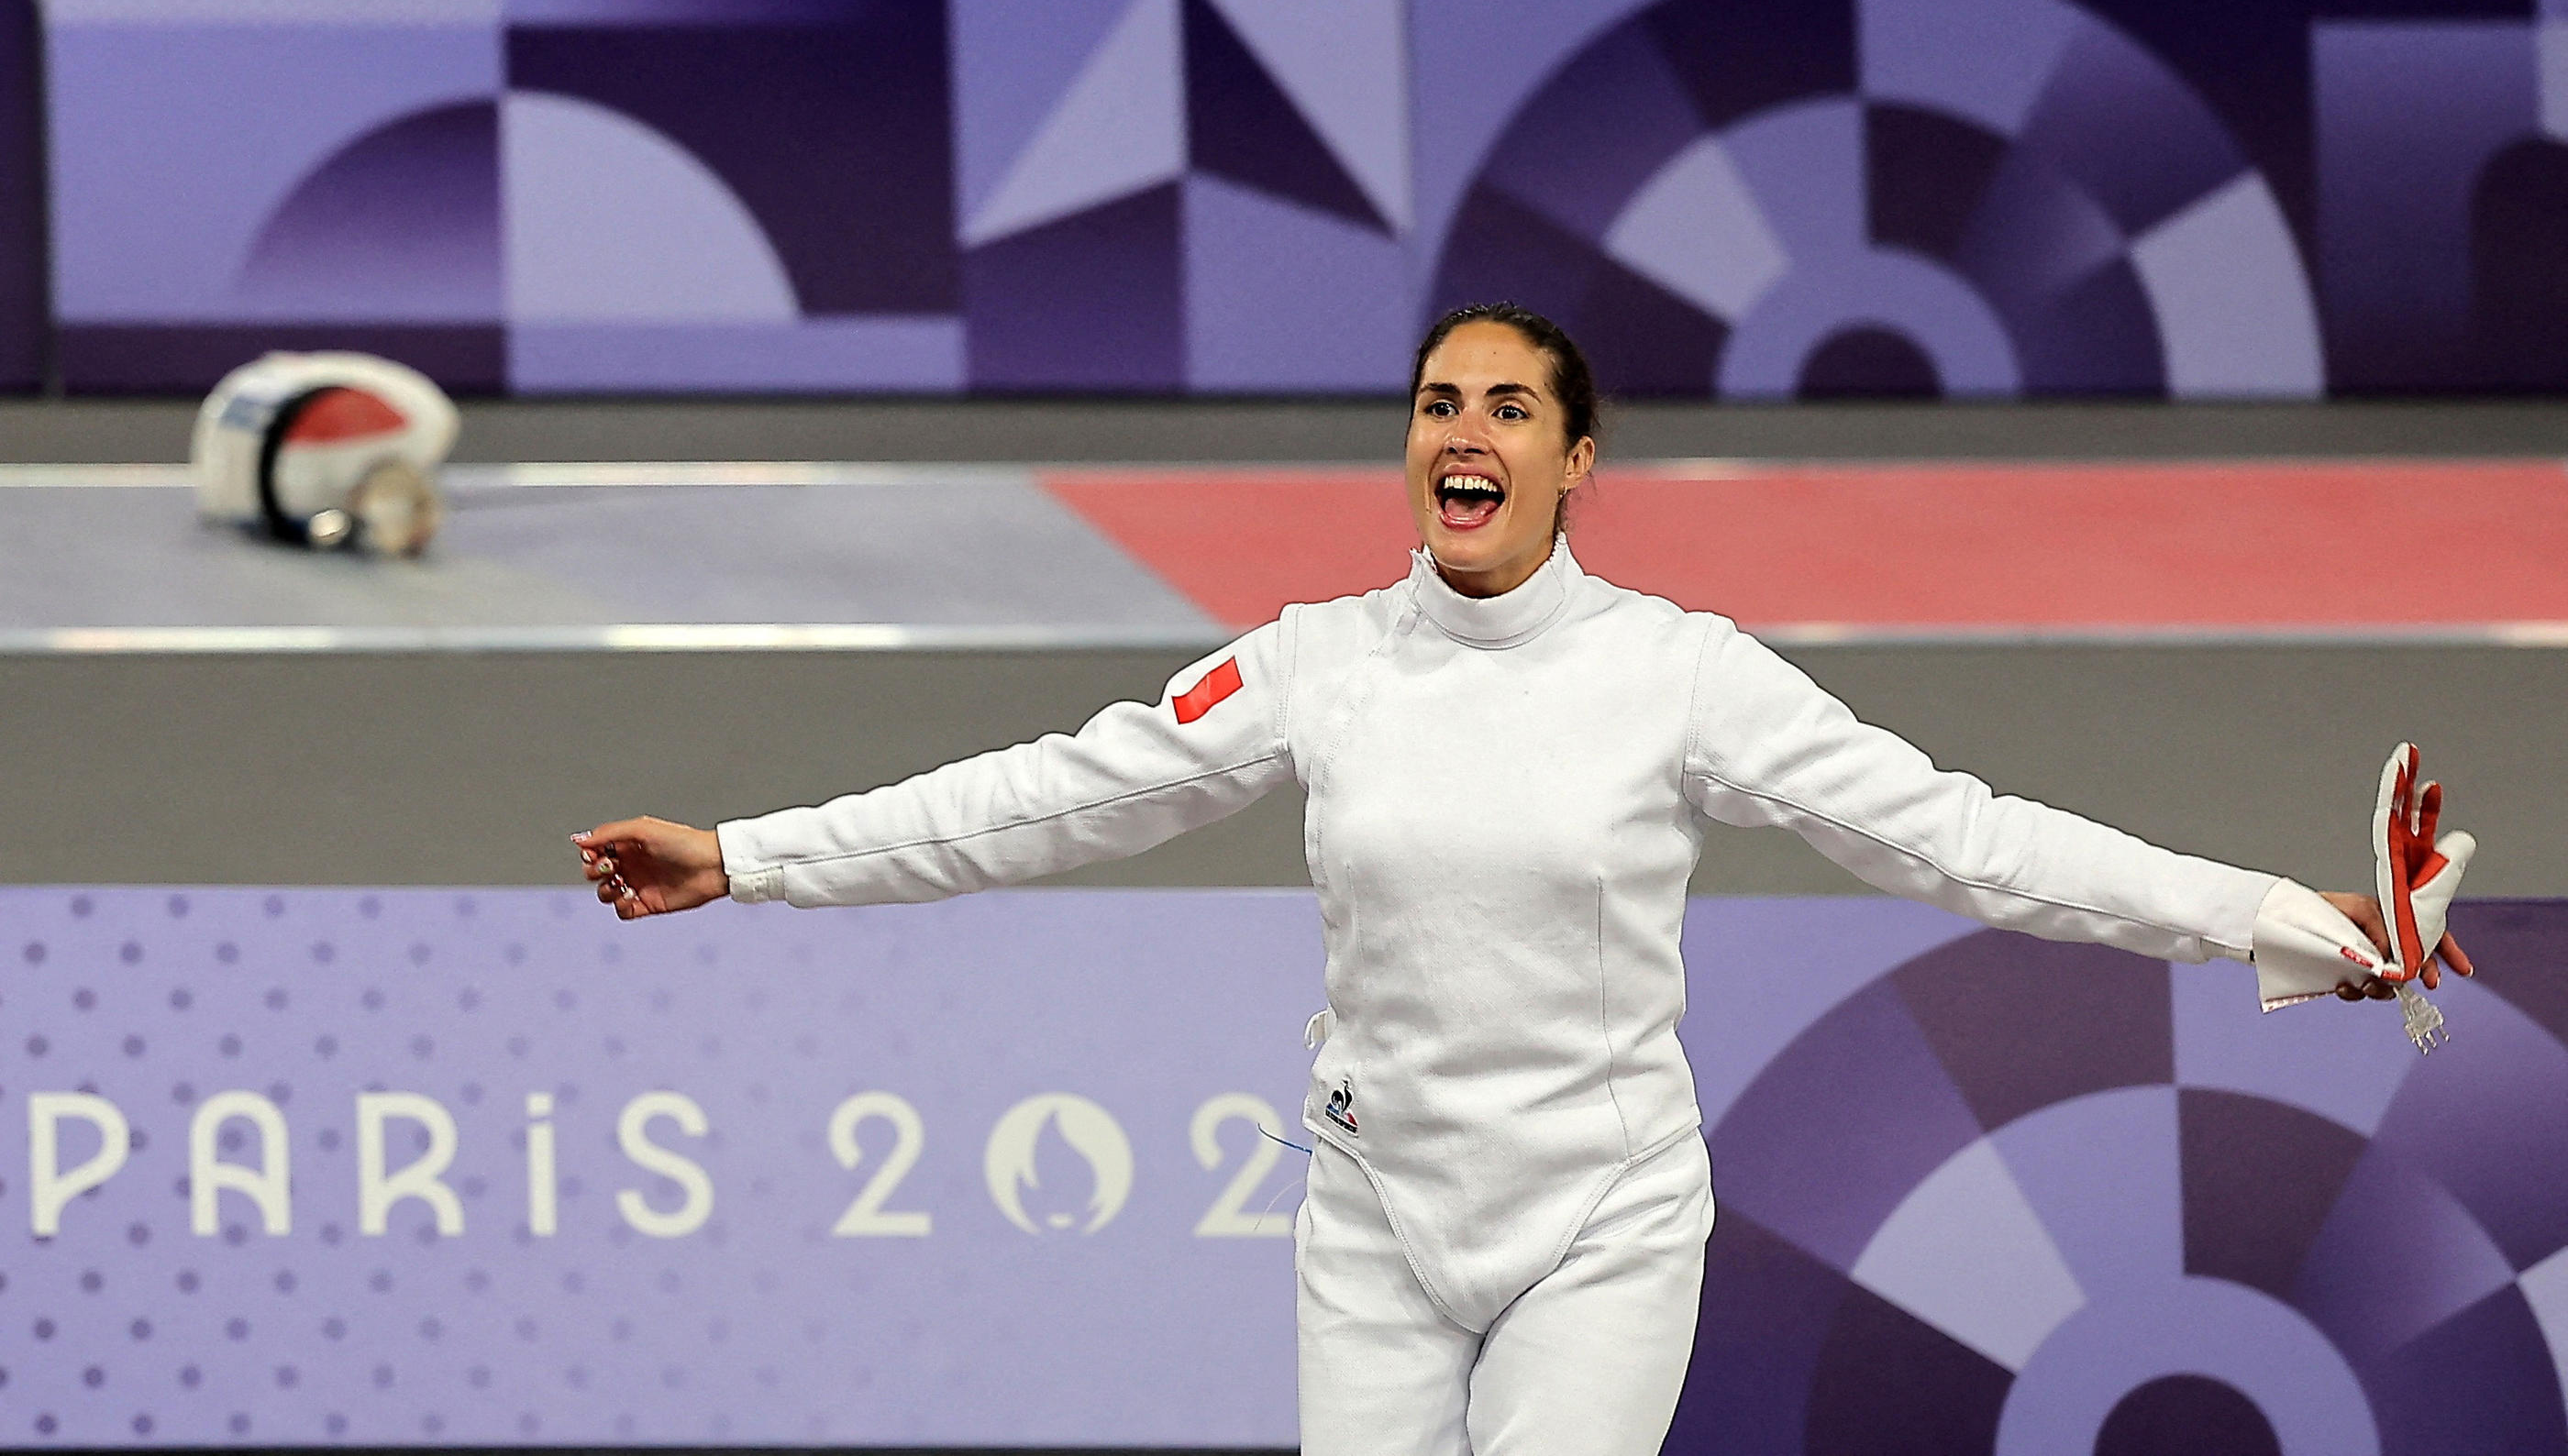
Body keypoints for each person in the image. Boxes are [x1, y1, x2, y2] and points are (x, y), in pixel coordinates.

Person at [573, 303, 2472, 1456]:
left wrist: (2289, 922)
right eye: (1432, 404)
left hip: (1600, 1220)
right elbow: (1053, 796)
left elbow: (1960, 831)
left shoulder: (1679, 672)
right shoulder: (1314, 659)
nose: (1457, 433)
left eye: (1500, 410)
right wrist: (744, 856)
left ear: (1574, 460)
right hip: (1379, 1213)